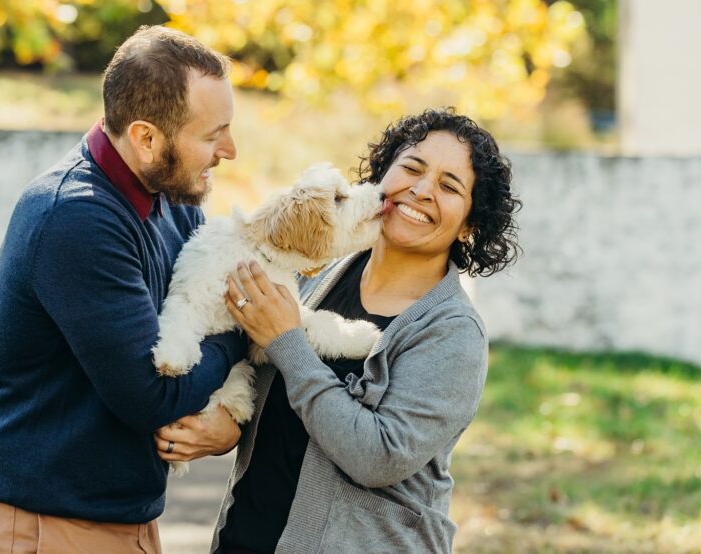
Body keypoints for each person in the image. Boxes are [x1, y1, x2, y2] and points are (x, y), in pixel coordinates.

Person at [0, 25, 248, 553]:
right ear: (145, 138)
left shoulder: (170, 198)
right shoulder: (75, 216)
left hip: (117, 522)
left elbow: (220, 303)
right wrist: (244, 340)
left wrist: (229, 419)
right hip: (43, 528)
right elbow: (150, 393)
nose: (229, 150)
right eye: (212, 135)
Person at [195, 109, 520, 553]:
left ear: (469, 225)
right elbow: (264, 385)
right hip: (245, 539)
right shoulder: (317, 275)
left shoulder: (453, 332)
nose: (422, 190)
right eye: (411, 167)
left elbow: (378, 456)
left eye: (449, 186)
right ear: (382, 174)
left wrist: (288, 342)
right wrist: (226, 424)